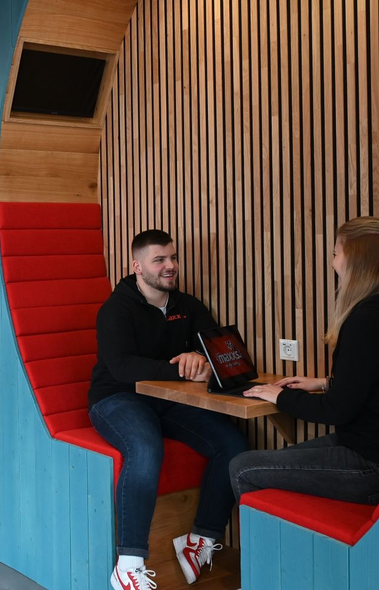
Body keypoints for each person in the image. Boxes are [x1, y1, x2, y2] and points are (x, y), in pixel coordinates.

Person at [230, 217, 379, 506]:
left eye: (335, 254)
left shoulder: (368, 321)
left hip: (375, 466)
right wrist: (324, 383)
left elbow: (338, 411)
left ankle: (275, 550)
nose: (333, 263)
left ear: (357, 260)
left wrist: (281, 396)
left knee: (243, 468)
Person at [90, 230, 248, 589]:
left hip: (171, 401)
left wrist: (204, 360)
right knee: (145, 449)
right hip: (116, 399)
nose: (170, 266)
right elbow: (122, 367)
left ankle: (200, 540)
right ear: (137, 266)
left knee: (235, 446)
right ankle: (128, 565)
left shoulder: (189, 306)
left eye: (173, 258)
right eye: (159, 260)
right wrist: (183, 366)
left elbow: (221, 352)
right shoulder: (116, 309)